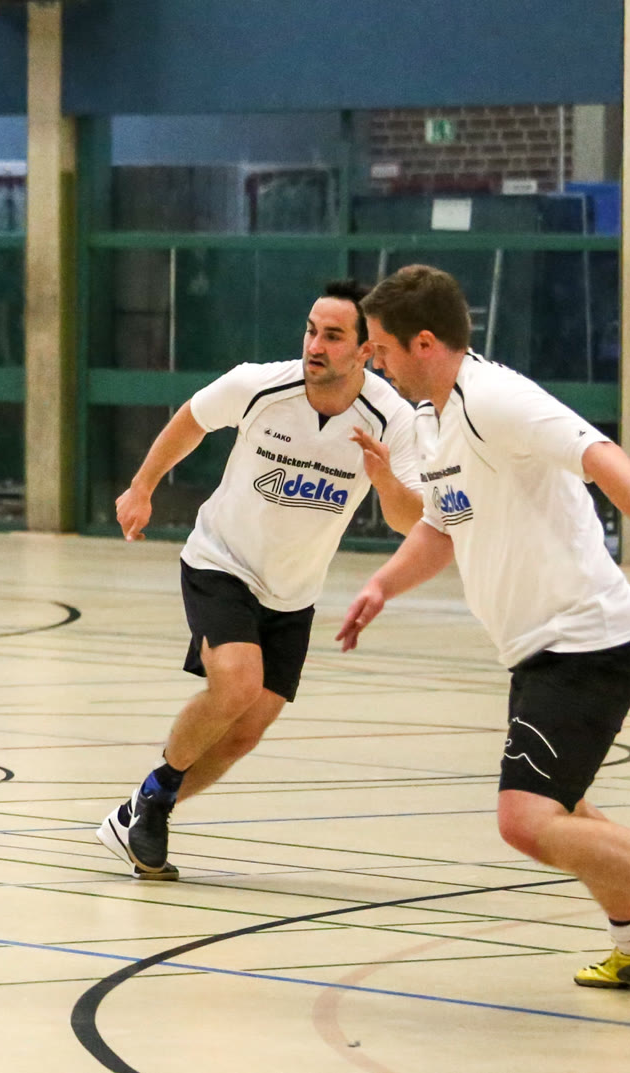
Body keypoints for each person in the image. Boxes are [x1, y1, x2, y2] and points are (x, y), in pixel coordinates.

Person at [336, 265, 630, 1024]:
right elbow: (442, 526)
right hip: (541, 649)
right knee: (563, 804)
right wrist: (382, 586)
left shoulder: (497, 400)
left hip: (585, 644)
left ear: (425, 343)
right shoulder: (434, 419)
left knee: (525, 818)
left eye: (381, 347)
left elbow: (603, 456)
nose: (376, 361)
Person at [100, 280, 425, 880]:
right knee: (238, 684)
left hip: (294, 592)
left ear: (366, 350)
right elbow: (191, 419)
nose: (315, 346)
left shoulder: (393, 420)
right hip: (221, 561)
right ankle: (153, 801)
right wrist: (142, 487)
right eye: (311, 331)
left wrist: (384, 480)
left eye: (333, 336)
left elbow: (412, 521)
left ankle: (144, 807)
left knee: (244, 733)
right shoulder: (260, 386)